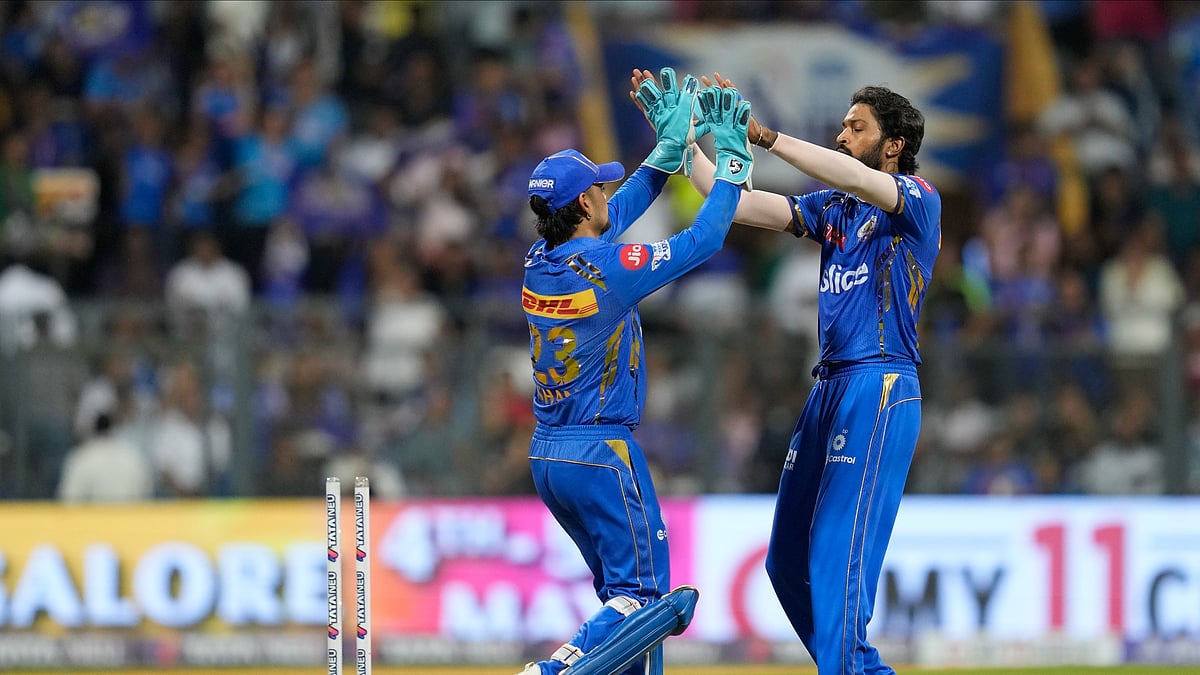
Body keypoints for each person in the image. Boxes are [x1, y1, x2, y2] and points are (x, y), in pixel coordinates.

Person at [683, 73, 941, 675]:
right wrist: (683, 147)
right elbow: (741, 206)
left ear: (894, 144)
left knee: (836, 559)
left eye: (858, 128)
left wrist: (767, 137)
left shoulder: (919, 200)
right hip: (827, 388)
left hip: (879, 385)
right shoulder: (833, 209)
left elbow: (850, 173)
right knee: (786, 562)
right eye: (843, 126)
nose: (843, 135)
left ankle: (848, 667)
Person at [515, 68, 753, 675]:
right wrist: (730, 166)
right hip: (600, 451)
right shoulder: (608, 269)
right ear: (583, 203)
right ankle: (557, 670)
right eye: (598, 187)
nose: (603, 193)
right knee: (651, 601)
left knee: (624, 600)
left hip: (549, 455)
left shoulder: (540, 261)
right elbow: (703, 240)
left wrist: (667, 154)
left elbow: (610, 219)